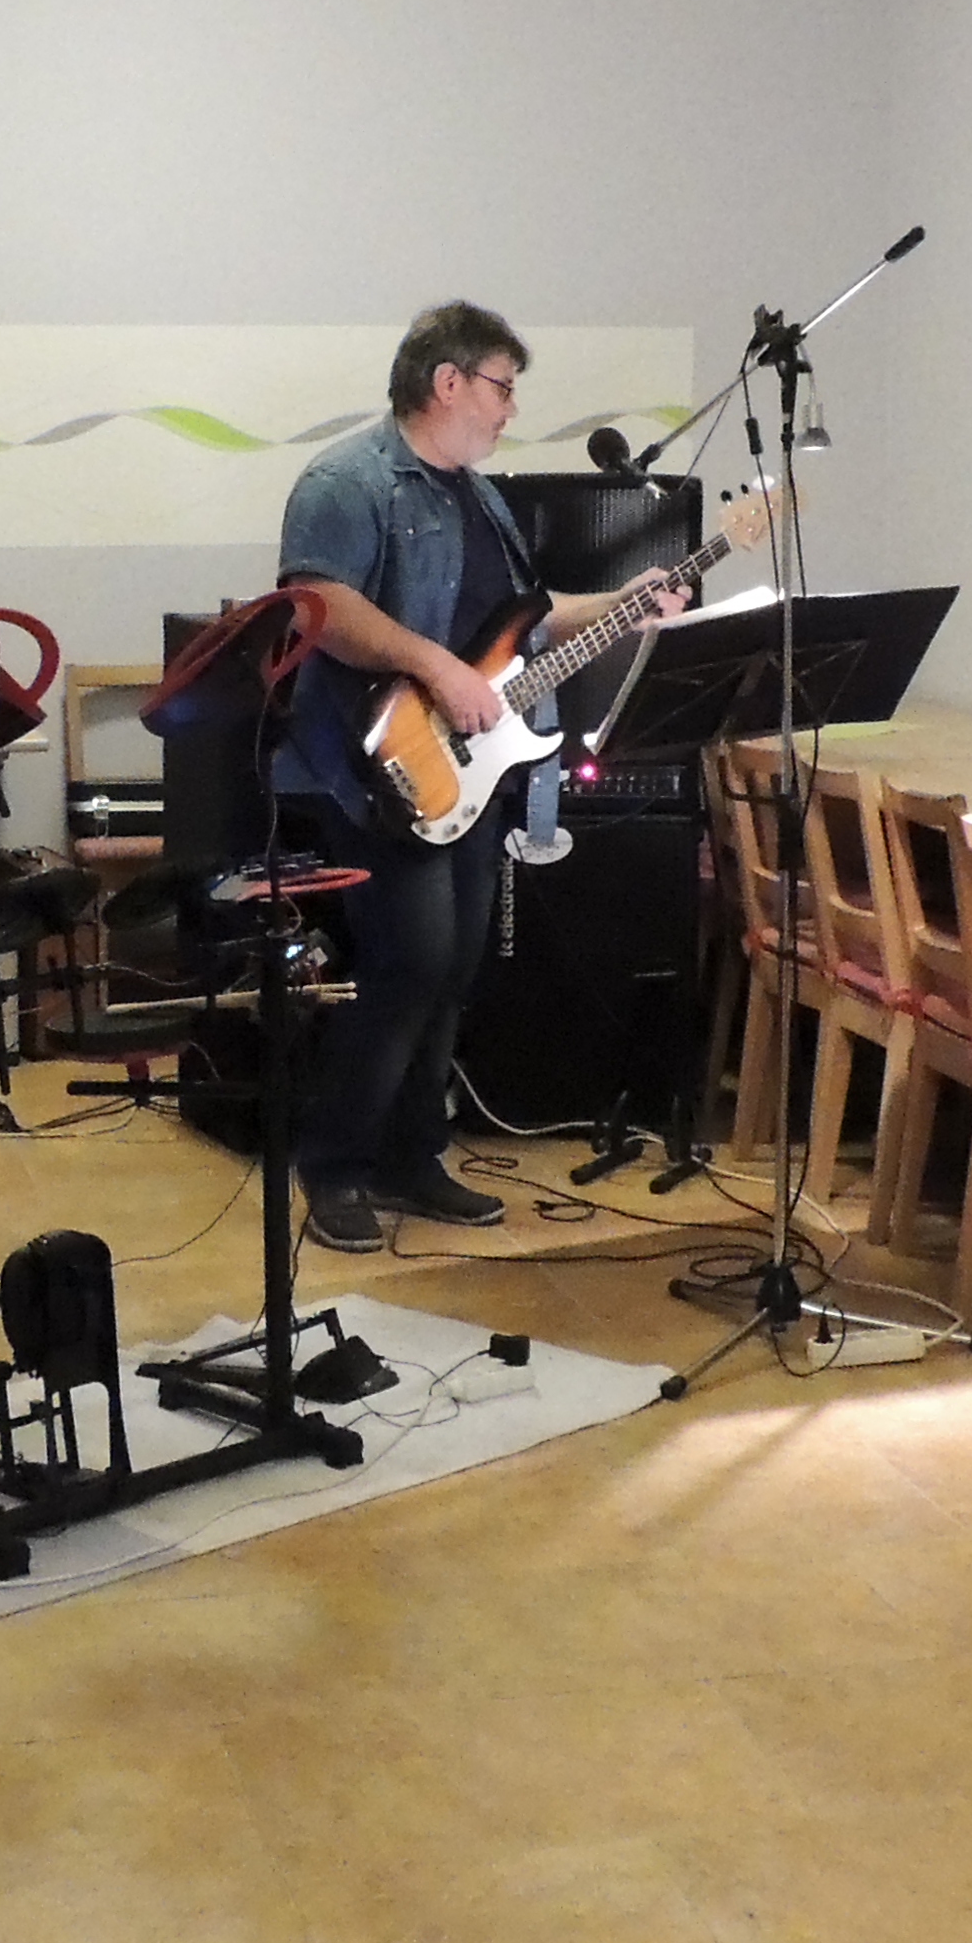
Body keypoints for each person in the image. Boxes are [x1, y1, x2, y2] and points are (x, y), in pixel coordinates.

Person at [270, 302, 670, 1252]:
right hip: (375, 768)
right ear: (446, 382)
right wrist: (437, 669)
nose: (510, 407)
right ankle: (335, 1167)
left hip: (471, 776)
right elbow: (318, 604)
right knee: (405, 968)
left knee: (451, 971)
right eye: (502, 386)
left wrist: (624, 603)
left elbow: (522, 624)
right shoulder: (346, 481)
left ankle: (414, 1158)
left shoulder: (479, 498)